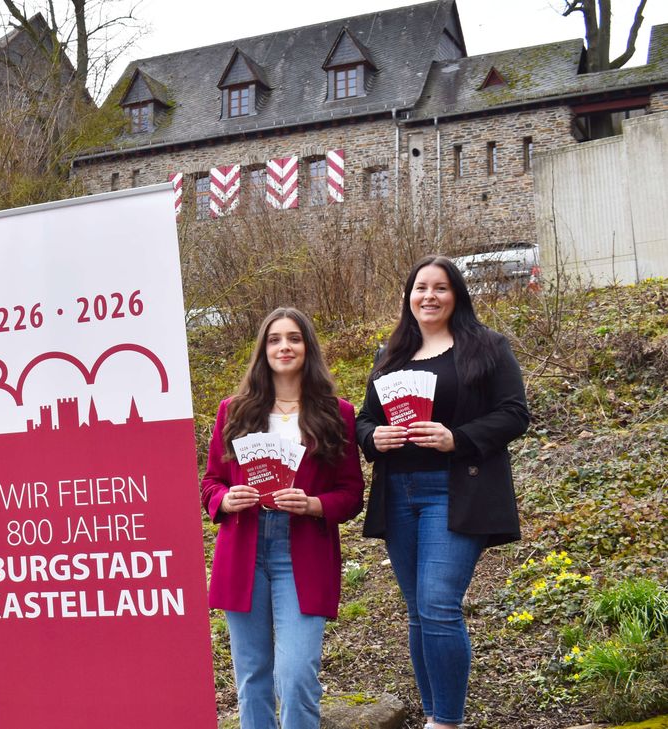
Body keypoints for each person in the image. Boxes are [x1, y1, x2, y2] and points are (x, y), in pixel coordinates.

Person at [355, 256, 530, 729]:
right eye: (420, 288)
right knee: (417, 611)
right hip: (398, 492)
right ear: (408, 296)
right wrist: (374, 439)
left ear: (457, 296)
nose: (428, 296)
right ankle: (436, 715)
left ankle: (447, 722)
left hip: (453, 490)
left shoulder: (487, 346)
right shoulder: (390, 353)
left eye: (441, 288)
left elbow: (515, 413)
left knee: (437, 604)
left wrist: (459, 438)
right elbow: (364, 419)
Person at [201, 307, 364, 729]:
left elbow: (351, 495)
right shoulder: (234, 411)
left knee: (295, 677)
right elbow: (209, 484)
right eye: (274, 339)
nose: (284, 346)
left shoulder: (336, 412)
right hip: (244, 550)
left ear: (307, 347)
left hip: (303, 551)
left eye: (293, 338)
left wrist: (313, 505)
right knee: (252, 676)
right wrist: (225, 498)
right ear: (263, 350)